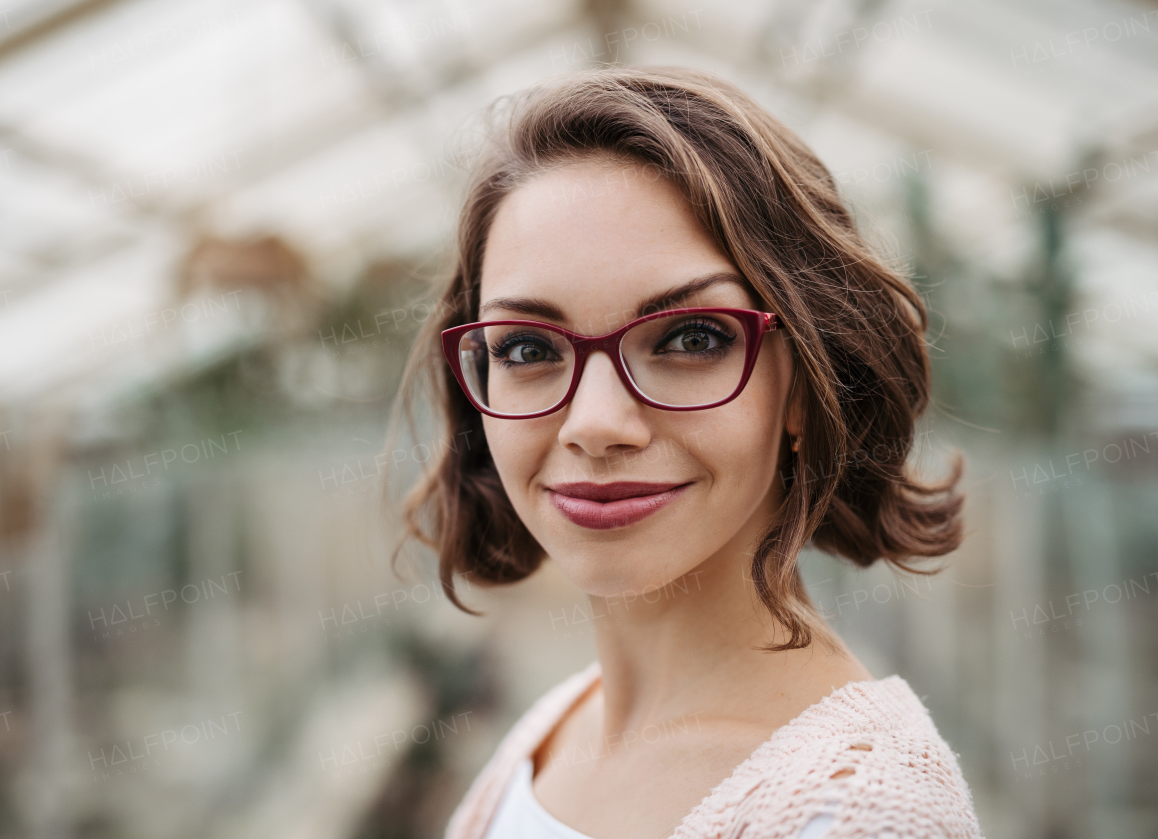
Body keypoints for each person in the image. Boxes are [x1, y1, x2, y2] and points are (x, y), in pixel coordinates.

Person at [391, 67, 983, 839]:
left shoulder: (858, 812)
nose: (595, 423)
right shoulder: (555, 728)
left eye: (690, 338)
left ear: (807, 383)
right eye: (529, 345)